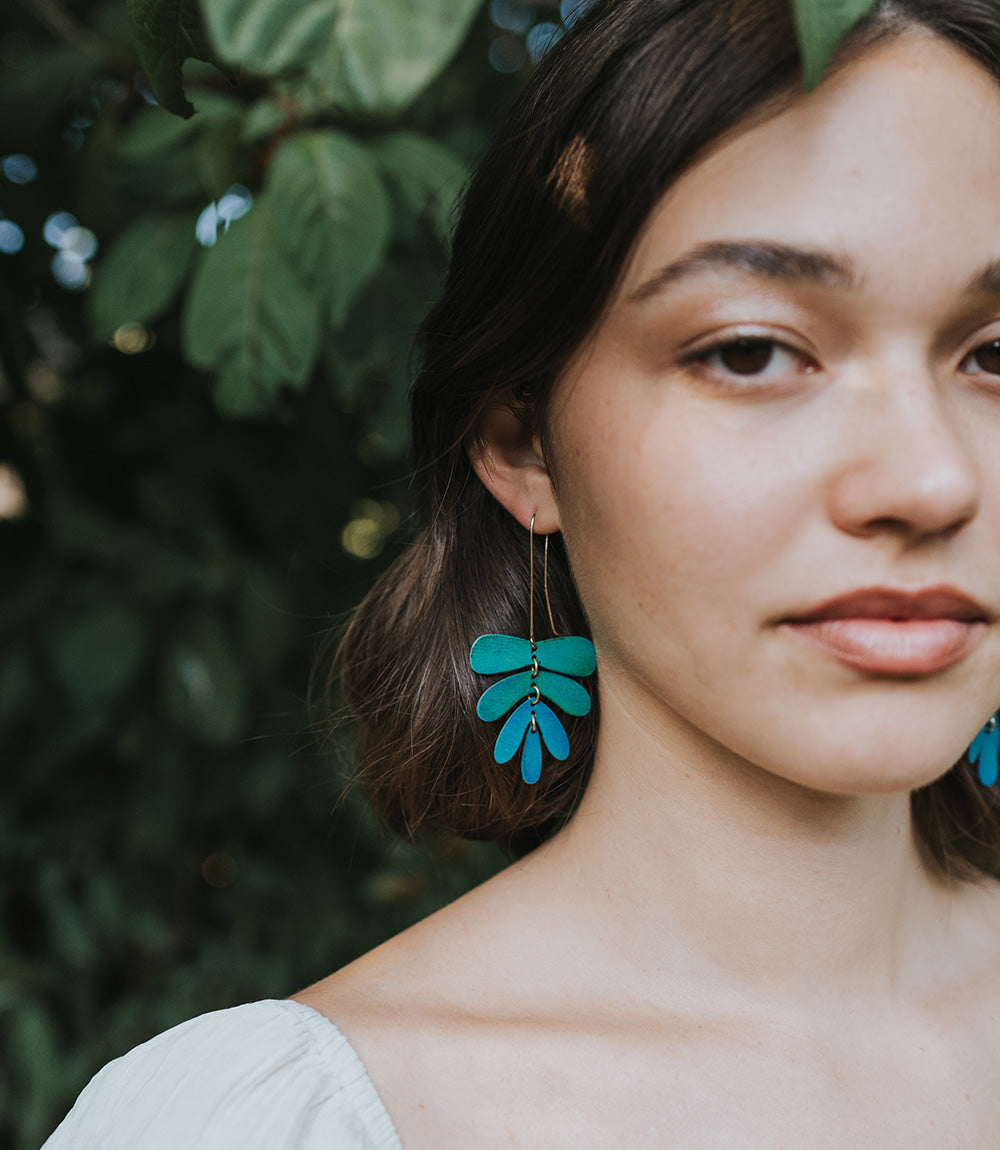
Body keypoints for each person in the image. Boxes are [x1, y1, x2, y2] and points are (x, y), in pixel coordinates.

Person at [44, 0, 1000, 1145]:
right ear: (520, 444)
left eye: (994, 354)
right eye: (749, 351)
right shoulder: (274, 1123)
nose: (930, 480)